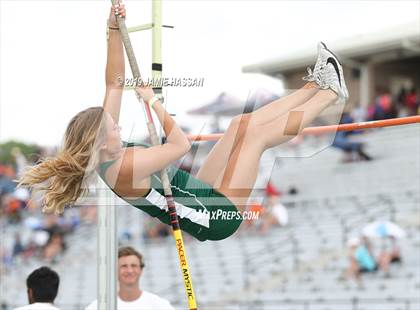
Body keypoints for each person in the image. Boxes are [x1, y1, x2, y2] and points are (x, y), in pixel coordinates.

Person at [18, 2, 349, 242]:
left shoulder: (107, 149)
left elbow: (114, 83)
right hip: (218, 217)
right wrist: (153, 102)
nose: (118, 125)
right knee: (256, 139)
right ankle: (329, 95)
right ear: (102, 141)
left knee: (239, 126)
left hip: (200, 192)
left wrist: (113, 30)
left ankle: (316, 83)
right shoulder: (125, 166)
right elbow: (181, 145)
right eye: (114, 127)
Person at [85, 246, 173, 310]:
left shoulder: (160, 305)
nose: (129, 270)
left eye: (133, 266)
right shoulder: (99, 306)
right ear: (115, 270)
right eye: (124, 266)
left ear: (141, 270)